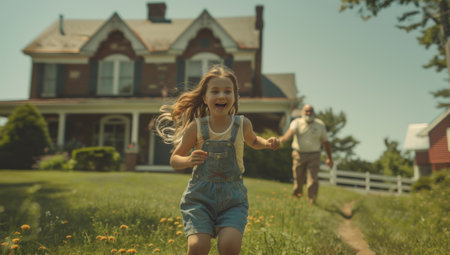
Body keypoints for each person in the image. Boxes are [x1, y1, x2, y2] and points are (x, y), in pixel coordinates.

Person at [154, 65, 280, 255]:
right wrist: (188, 160)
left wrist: (267, 143)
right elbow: (175, 159)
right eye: (215, 91)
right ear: (205, 98)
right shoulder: (196, 127)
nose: (222, 96)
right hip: (199, 199)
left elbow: (254, 141)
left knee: (229, 245)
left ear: (235, 97)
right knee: (198, 247)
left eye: (228, 91)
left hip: (233, 200)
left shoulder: (242, 124)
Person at [279, 104, 333, 205]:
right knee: (298, 178)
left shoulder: (320, 125)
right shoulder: (296, 122)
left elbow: (325, 142)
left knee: (312, 179)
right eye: (306, 111)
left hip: (314, 155)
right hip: (298, 154)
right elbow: (290, 133)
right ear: (302, 112)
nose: (308, 113)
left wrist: (329, 158)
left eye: (310, 111)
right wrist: (281, 140)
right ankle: (296, 197)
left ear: (314, 113)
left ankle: (311, 201)